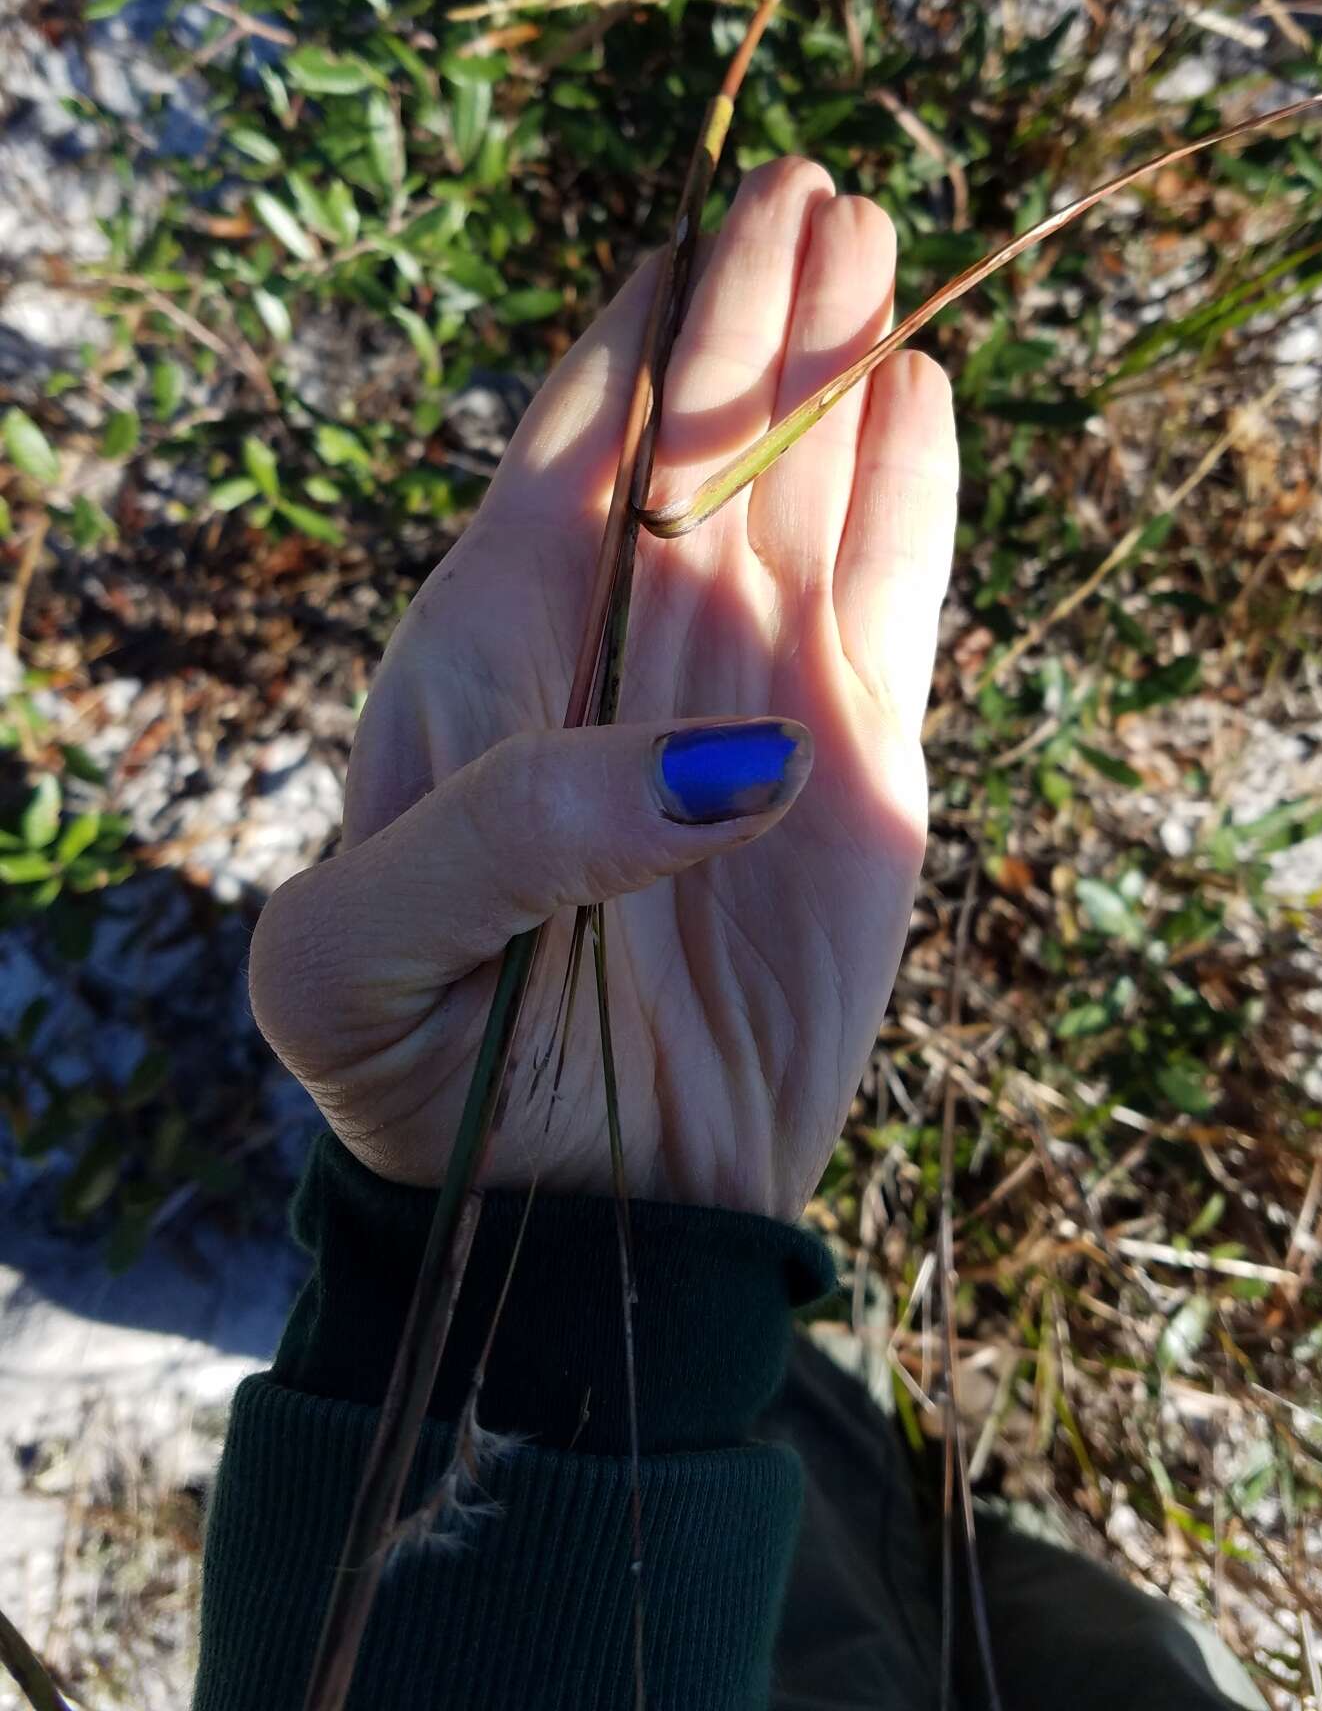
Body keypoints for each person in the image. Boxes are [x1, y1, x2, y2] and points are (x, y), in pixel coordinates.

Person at [193, 159, 1263, 1710]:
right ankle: (923, 1499)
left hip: (662, 1510)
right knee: (1000, 1581)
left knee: (855, 1514)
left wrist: (546, 1267)